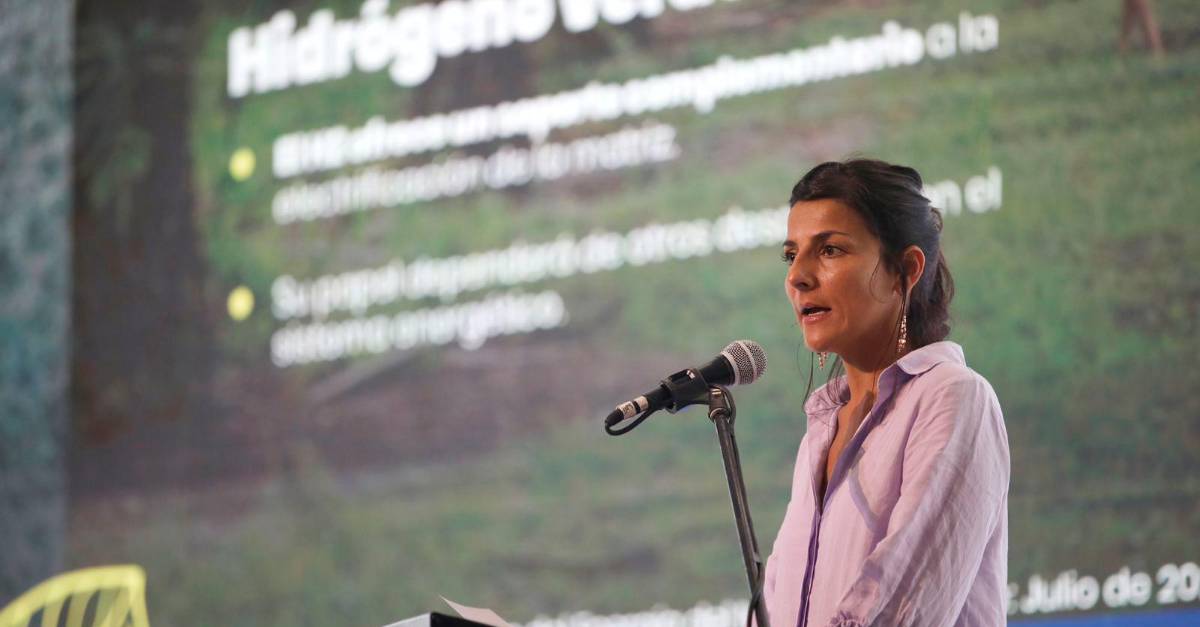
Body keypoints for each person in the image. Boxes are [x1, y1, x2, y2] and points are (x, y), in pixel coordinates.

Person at [764, 159, 1010, 626]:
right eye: (790, 255)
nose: (798, 276)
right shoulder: (821, 429)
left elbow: (902, 608)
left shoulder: (952, 397)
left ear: (905, 269)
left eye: (830, 250)